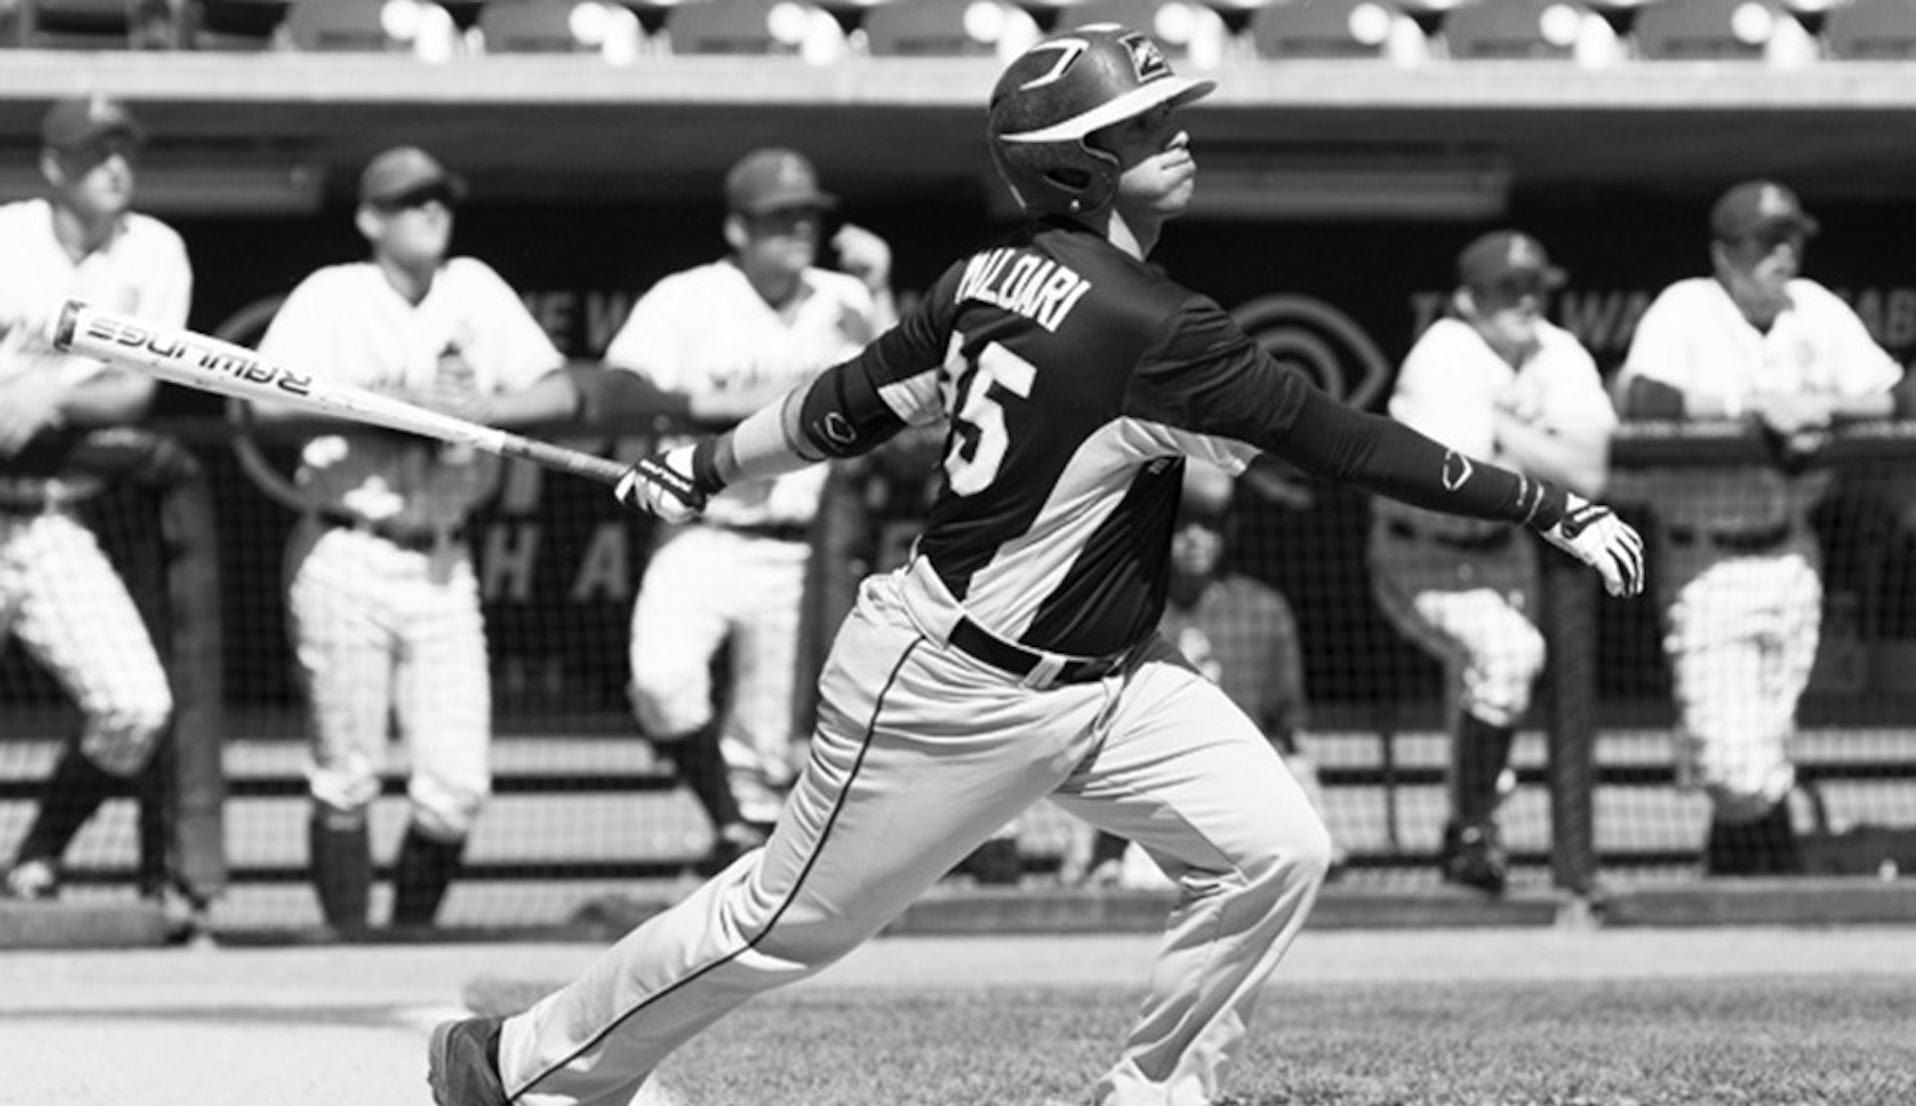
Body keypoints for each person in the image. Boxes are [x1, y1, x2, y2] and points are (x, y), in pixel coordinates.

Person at [428, 25, 1642, 1106]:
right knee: (782, 921)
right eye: (1143, 126)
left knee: (1275, 843)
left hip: (1107, 683)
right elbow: (1340, 438)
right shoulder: (1150, 325)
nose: (1178, 135)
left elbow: (836, 409)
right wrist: (1542, 501)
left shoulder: (980, 279)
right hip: (946, 688)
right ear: (1076, 162)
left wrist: (708, 461)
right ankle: (519, 1060)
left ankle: (1151, 1091)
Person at [252, 145, 579, 935]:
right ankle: (350, 947)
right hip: (348, 546)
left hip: (441, 555)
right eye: (410, 200)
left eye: (439, 197)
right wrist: (401, 403)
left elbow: (560, 390)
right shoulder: (336, 295)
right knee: (347, 774)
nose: (431, 210)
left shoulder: (473, 288)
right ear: (371, 218)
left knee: (457, 783)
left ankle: (404, 935)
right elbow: (263, 404)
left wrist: (479, 410)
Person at [602, 147, 897, 875]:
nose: (797, 228)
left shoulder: (846, 299)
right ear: (738, 228)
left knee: (765, 753)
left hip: (800, 549)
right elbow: (614, 393)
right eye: (777, 218)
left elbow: (910, 393)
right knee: (661, 681)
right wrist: (725, 410)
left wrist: (883, 289)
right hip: (706, 530)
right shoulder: (688, 298)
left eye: (806, 215)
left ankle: (745, 881)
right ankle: (727, 822)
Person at [1618, 179, 1901, 877]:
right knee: (1732, 758)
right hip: (1706, 558)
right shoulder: (1687, 307)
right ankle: (1772, 858)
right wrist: (1752, 405)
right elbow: (1641, 397)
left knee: (1766, 739)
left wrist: (1815, 403)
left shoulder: (1816, 309)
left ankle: (1744, 880)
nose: (1783, 254)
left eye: (1791, 239)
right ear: (1724, 253)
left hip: (1790, 553)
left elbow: (1886, 398)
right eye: (1764, 241)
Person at [1369, 229, 1616, 896]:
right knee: (1508, 656)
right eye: (1508, 288)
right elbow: (1469, 488)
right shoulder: (1442, 354)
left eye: (1535, 285)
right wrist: (1539, 451)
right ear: (1467, 299)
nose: (1527, 299)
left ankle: (1471, 840)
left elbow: (1588, 473)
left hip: (1503, 550)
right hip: (1420, 549)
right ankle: (1472, 829)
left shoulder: (1557, 351)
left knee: (1491, 680)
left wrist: (1507, 433)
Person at [0, 95, 185, 903]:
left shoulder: (155, 250)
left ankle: (34, 856)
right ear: (54, 167)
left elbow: (134, 393)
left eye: (124, 150)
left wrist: (48, 395)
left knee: (136, 705)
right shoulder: (7, 238)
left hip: (48, 517)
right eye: (94, 152)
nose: (115, 166)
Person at [1073, 457, 1332, 891]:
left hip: (1242, 802)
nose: (1194, 540)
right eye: (1181, 526)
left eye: (1208, 526)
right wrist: (1087, 845)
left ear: (1228, 532)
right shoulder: (1125, 611)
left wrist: (1321, 821)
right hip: (1151, 811)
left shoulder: (1262, 610)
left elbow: (1292, 737)